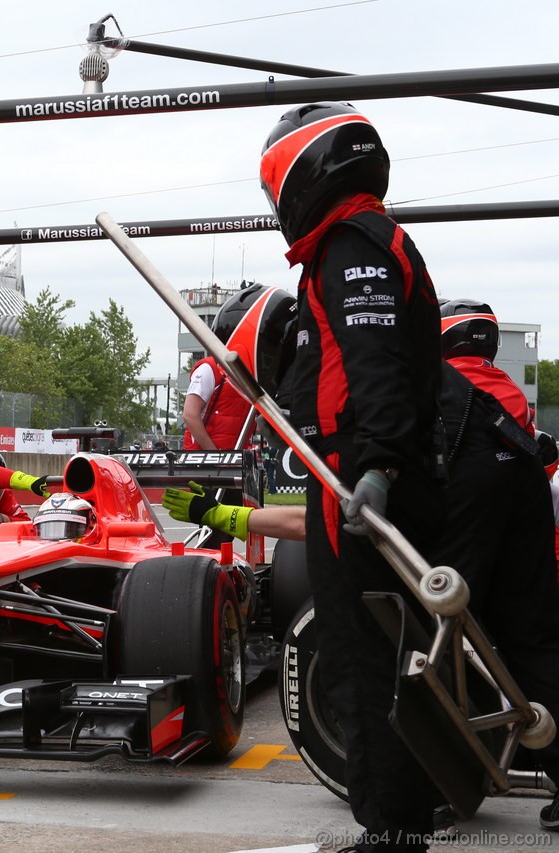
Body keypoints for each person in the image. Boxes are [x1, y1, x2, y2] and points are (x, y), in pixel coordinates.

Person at [260, 103, 444, 851]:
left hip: (357, 485)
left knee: (365, 657)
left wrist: (376, 467)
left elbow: (375, 372)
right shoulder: (370, 241)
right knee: (388, 653)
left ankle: (391, 825)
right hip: (358, 474)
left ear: (307, 172)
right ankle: (404, 811)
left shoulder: (350, 245)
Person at [181, 284, 294, 453]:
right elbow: (190, 414)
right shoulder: (210, 369)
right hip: (203, 460)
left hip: (235, 455)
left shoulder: (256, 378)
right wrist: (214, 455)